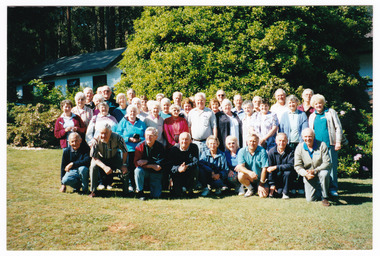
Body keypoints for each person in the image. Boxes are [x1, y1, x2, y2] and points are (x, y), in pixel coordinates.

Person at [308, 94, 343, 197]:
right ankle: (321, 188)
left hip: (330, 144)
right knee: (318, 166)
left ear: (323, 103)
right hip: (317, 146)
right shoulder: (312, 116)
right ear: (313, 105)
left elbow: (338, 127)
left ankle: (333, 189)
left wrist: (338, 142)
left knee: (331, 167)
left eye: (320, 103)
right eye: (316, 103)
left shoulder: (330, 112)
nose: (318, 105)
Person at [88, 123, 128, 197]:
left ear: (110, 132)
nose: (103, 136)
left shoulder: (118, 138)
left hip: (114, 157)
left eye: (105, 133)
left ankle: (126, 192)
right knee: (93, 166)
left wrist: (124, 164)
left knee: (125, 168)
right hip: (100, 158)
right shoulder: (95, 140)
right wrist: (104, 167)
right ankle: (93, 191)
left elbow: (125, 151)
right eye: (101, 133)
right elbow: (94, 157)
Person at [114, 105, 146, 194]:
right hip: (126, 150)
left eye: (134, 111)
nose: (132, 113)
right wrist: (128, 139)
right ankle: (128, 186)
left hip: (138, 150)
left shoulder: (141, 123)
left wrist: (140, 139)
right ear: (128, 112)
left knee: (135, 168)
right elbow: (118, 135)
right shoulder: (123, 122)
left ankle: (136, 185)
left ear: (137, 113)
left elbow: (146, 136)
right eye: (130, 111)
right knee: (126, 168)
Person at [294, 128, 331, 206]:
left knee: (324, 174)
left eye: (310, 136)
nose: (308, 139)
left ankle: (325, 197)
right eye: (306, 137)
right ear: (302, 137)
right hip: (308, 174)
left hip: (320, 171)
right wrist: (305, 174)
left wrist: (315, 170)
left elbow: (327, 163)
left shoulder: (322, 145)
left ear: (314, 136)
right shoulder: (299, 148)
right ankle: (320, 189)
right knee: (310, 199)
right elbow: (297, 166)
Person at [134, 127, 166, 200]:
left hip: (156, 172)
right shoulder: (140, 146)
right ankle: (140, 192)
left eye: (151, 135)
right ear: (144, 136)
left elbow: (160, 163)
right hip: (144, 171)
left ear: (156, 137)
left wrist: (147, 161)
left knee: (156, 196)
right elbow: (137, 163)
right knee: (138, 171)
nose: (149, 137)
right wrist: (151, 165)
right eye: (147, 135)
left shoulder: (160, 147)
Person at [236, 133, 269, 198]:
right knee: (240, 175)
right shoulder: (242, 151)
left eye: (254, 141)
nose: (252, 143)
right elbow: (240, 167)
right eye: (250, 141)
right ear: (247, 142)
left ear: (257, 142)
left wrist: (261, 184)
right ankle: (250, 189)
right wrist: (249, 172)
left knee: (263, 195)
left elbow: (264, 169)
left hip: (260, 179)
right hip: (249, 177)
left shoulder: (262, 151)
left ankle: (258, 187)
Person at [168, 132, 199, 198]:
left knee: (196, 169)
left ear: (190, 140)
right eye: (182, 139)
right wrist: (178, 169)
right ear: (179, 140)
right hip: (177, 172)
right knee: (178, 193)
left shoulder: (194, 147)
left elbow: (196, 162)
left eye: (186, 139)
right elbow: (170, 165)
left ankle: (191, 189)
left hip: (189, 170)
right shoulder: (174, 150)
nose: (184, 141)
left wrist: (186, 167)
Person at [267, 133, 296, 199]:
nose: (281, 143)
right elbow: (269, 170)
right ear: (276, 141)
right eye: (279, 140)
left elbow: (291, 165)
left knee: (287, 172)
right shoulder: (271, 152)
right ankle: (282, 190)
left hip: (288, 177)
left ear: (287, 141)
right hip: (277, 177)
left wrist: (276, 167)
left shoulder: (291, 151)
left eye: (283, 141)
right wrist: (272, 184)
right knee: (278, 193)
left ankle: (286, 193)